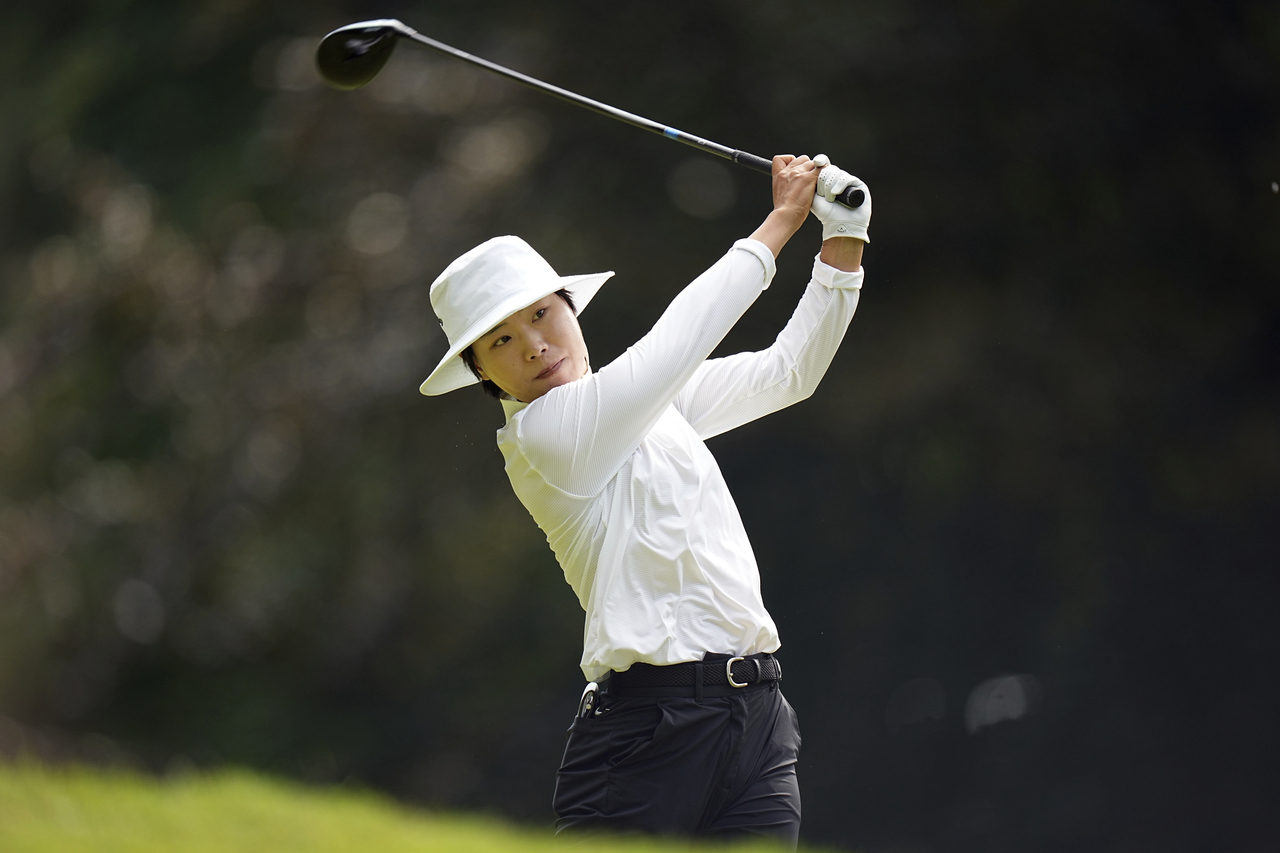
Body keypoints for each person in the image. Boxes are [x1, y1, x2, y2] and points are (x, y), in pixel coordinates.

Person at [419, 154, 871, 847]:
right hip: (646, 731)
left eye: (541, 315)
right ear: (480, 370)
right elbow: (675, 343)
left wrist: (842, 242)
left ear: (570, 308)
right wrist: (781, 221)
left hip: (757, 717)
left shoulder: (652, 407)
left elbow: (789, 373)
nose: (534, 346)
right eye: (502, 340)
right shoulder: (543, 437)